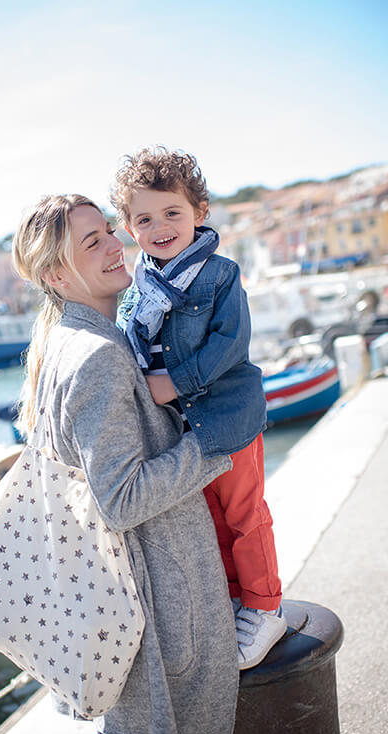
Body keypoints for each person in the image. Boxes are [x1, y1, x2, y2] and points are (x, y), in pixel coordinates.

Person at [11, 194, 238, 734]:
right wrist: (214, 441)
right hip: (162, 622)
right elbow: (121, 498)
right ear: (57, 275)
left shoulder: (66, 343)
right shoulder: (98, 356)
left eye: (109, 231)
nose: (117, 245)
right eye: (93, 242)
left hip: (130, 614)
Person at [112, 146, 284, 669]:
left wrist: (171, 384)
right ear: (128, 227)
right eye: (145, 218)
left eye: (172, 213)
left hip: (228, 417)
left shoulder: (219, 275)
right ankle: (235, 600)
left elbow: (230, 344)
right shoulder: (138, 289)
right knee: (210, 517)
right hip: (183, 431)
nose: (161, 227)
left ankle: (265, 606)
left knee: (244, 514)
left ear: (199, 213)